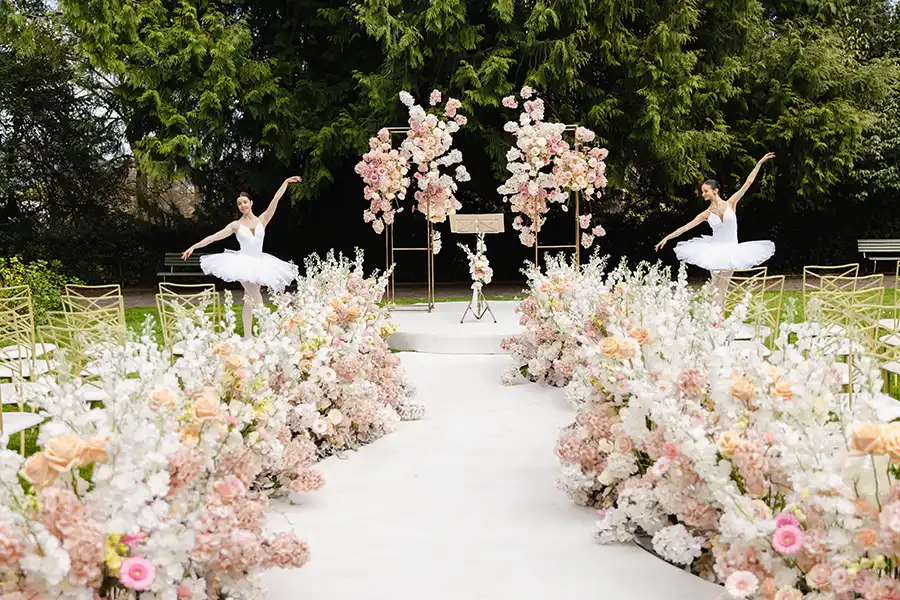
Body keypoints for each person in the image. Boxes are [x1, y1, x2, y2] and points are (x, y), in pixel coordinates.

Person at [182, 176, 302, 338]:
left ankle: (247, 337)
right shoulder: (236, 225)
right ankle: (269, 331)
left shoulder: (263, 220)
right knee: (255, 295)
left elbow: (276, 199)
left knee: (248, 299)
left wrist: (285, 183)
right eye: (239, 203)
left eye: (245, 202)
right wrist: (193, 246)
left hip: (260, 263)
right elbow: (214, 237)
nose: (242, 205)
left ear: (251, 203)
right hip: (242, 263)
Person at [655, 153, 776, 305]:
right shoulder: (706, 214)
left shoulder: (731, 203)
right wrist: (667, 238)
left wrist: (759, 163)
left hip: (732, 250)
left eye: (705, 191)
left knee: (723, 286)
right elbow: (685, 227)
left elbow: (748, 182)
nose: (703, 194)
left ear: (715, 190)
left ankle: (719, 317)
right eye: (702, 191)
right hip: (714, 250)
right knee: (715, 286)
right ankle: (714, 317)